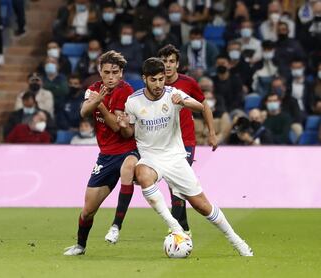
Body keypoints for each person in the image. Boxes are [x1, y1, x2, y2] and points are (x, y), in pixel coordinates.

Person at [117, 57, 253, 256]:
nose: (158, 84)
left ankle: (237, 241)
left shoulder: (173, 94)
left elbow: (201, 107)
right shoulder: (133, 101)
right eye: (153, 80)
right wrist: (123, 127)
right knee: (142, 173)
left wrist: (184, 102)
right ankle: (176, 227)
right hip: (150, 157)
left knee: (202, 206)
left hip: (174, 157)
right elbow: (128, 133)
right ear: (144, 79)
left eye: (161, 79)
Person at [108, 44, 217, 239]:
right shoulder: (147, 93)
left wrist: (212, 132)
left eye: (171, 61)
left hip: (185, 141)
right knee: (165, 185)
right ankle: (181, 227)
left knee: (177, 188)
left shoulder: (187, 83)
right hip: (156, 146)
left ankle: (179, 230)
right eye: (164, 61)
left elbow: (203, 105)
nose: (168, 65)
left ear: (177, 64)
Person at [64, 51, 140, 256]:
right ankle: (80, 245)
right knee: (88, 210)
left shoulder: (126, 91)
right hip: (105, 156)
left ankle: (116, 226)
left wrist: (100, 104)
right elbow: (82, 112)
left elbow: (117, 128)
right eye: (106, 72)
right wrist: (96, 99)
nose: (111, 77)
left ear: (121, 73)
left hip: (127, 150)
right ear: (100, 71)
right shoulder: (94, 89)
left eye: (115, 72)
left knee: (128, 168)